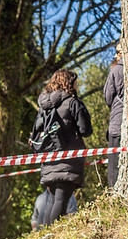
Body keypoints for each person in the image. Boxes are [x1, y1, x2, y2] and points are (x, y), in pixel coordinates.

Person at [36, 69, 92, 226]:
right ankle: (51, 237)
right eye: (75, 82)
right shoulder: (73, 102)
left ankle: (44, 236)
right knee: (61, 200)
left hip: (48, 158)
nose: (77, 85)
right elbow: (85, 130)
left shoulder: (44, 105)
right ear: (69, 83)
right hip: (69, 158)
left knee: (53, 200)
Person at [104, 41, 124, 187]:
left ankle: (113, 192)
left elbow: (108, 96)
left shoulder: (116, 70)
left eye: (118, 51)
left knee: (114, 166)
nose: (116, 55)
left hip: (118, 124)